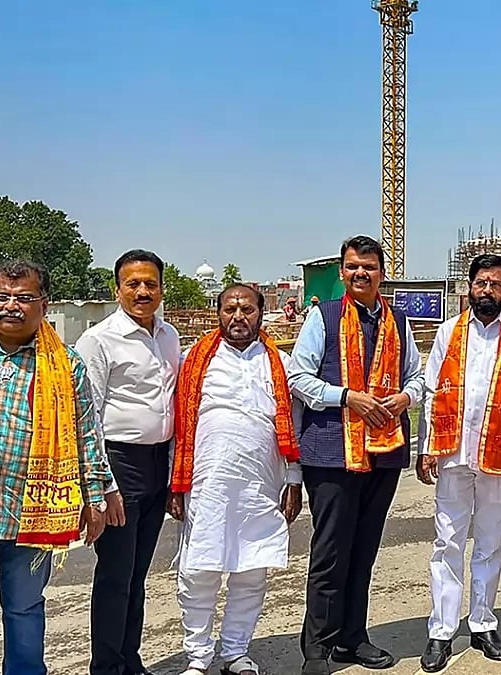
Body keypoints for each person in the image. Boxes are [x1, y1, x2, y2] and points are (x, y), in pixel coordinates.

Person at [0, 260, 116, 675]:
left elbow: (86, 434)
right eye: (2, 296)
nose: (11, 306)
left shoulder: (67, 364)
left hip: (34, 513)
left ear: (45, 304)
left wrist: (94, 498)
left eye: (24, 298)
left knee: (25, 610)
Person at [288, 236, 423, 674]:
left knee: (364, 550)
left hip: (383, 452)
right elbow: (298, 378)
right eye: (352, 267)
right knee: (331, 551)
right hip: (332, 453)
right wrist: (348, 397)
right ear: (342, 273)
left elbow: (417, 377)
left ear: (382, 273)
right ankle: (317, 647)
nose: (360, 273)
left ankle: (352, 638)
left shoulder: (397, 321)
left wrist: (405, 398)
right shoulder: (323, 317)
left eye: (369, 266)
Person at [417, 254, 501, 672]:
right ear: (469, 287)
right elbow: (432, 391)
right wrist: (426, 446)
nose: (487, 290)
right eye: (481, 283)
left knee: (490, 543)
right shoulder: (449, 331)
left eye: (495, 284)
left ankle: (483, 623)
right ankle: (441, 630)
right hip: (453, 454)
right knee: (447, 543)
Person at [168, 284, 304, 675]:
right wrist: (173, 484)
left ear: (261, 313)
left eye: (247, 309)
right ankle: (198, 657)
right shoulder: (193, 360)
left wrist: (294, 479)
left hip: (262, 485)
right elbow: (177, 425)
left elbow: (294, 424)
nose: (238, 317)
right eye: (230, 309)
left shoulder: (281, 363)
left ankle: (235, 652)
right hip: (205, 483)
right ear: (218, 313)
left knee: (251, 570)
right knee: (199, 571)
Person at [77, 249, 181, 675]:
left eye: (150, 284)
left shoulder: (169, 335)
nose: (142, 292)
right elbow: (88, 416)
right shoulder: (99, 340)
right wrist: (104, 485)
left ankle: (130, 659)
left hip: (158, 463)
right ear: (116, 289)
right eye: (133, 284)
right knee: (115, 575)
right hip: (119, 463)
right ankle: (106, 666)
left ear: (161, 289)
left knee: (138, 574)